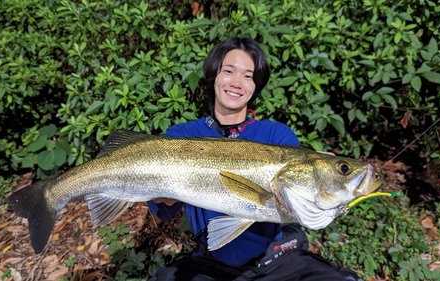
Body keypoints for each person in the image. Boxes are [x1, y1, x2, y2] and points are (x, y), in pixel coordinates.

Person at [147, 37, 362, 281]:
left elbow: (296, 193)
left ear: (256, 86)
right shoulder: (181, 136)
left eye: (248, 76)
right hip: (210, 262)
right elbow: (163, 210)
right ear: (213, 76)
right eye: (228, 71)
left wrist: (330, 180)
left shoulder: (276, 135)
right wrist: (162, 185)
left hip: (278, 260)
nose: (237, 83)